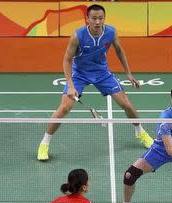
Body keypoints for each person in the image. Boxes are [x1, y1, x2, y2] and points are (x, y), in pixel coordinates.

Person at [37, 3, 153, 161]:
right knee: (64, 107)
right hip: (80, 73)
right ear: (87, 19)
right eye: (94, 18)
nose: (97, 22)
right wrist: (70, 85)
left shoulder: (111, 32)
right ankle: (44, 143)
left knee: (126, 104)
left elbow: (119, 50)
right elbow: (66, 59)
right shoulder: (78, 36)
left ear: (104, 18)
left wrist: (128, 73)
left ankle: (140, 132)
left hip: (102, 73)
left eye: (100, 18)